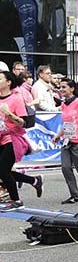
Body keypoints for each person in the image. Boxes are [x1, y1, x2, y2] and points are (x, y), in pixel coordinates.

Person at [0, 70, 38, 210]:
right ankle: (33, 180)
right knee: (3, 171)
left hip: (13, 138)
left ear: (8, 82)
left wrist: (9, 114)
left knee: (3, 170)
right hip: (1, 138)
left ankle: (16, 201)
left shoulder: (16, 99)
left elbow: (24, 123)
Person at [52, 79, 78, 204]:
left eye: (64, 87)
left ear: (72, 89)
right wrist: (58, 136)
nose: (61, 89)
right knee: (65, 168)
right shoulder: (64, 104)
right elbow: (67, 124)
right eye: (60, 87)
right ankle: (75, 195)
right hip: (66, 141)